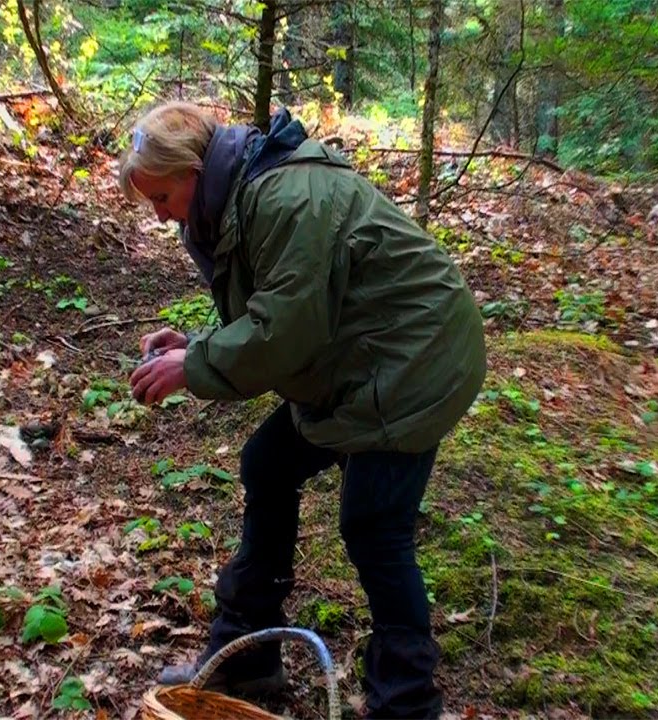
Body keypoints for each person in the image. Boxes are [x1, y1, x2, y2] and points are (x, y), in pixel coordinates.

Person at [120, 101, 486, 720]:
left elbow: (286, 328)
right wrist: (198, 347)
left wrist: (193, 367)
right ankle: (248, 657)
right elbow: (276, 305)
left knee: (374, 526)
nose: (160, 215)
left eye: (160, 198)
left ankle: (407, 702)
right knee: (267, 464)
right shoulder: (239, 197)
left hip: (415, 360)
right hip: (357, 356)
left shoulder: (286, 198)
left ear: (190, 171)